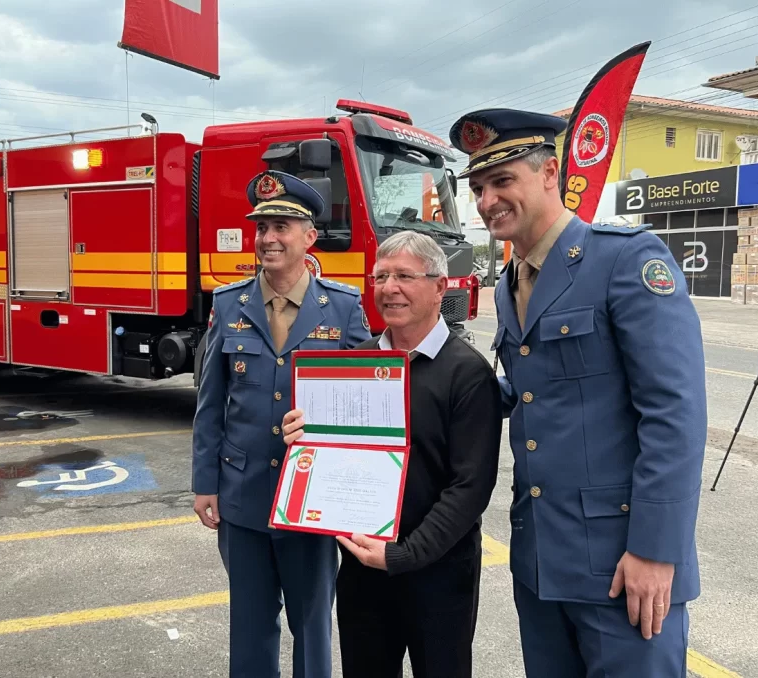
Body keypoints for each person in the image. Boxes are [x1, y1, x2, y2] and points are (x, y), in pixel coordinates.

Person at [452, 108, 707, 677]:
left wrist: (654, 550)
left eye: (502, 181)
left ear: (549, 174)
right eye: (478, 187)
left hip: (623, 564)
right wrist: (405, 390)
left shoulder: (625, 259)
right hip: (542, 559)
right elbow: (528, 395)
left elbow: (675, 415)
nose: (487, 200)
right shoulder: (508, 283)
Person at [281, 231, 503, 678]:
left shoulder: (468, 373)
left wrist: (403, 554)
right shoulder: (355, 364)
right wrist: (301, 439)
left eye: (404, 276)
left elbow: (471, 487)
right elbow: (331, 458)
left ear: (440, 286)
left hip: (439, 574)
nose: (388, 288)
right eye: (380, 276)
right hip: (363, 567)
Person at [191, 169, 371, 678]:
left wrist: (329, 429)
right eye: (261, 227)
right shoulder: (229, 305)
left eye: (281, 227)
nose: (268, 238)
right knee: (249, 623)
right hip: (243, 493)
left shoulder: (342, 306)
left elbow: (364, 404)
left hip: (312, 496)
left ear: (309, 236)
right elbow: (210, 403)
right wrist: (206, 483)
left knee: (313, 624)